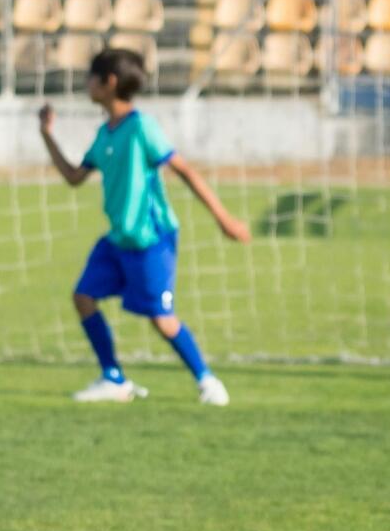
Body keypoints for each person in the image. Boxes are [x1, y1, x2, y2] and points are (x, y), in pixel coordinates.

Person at [38, 46, 251, 405]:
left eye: (91, 77)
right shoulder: (106, 133)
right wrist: (47, 135)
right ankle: (113, 378)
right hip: (118, 239)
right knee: (83, 297)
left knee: (162, 320)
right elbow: (75, 177)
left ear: (109, 82)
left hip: (151, 239)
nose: (86, 84)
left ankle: (207, 381)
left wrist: (224, 218)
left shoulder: (141, 128)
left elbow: (183, 170)